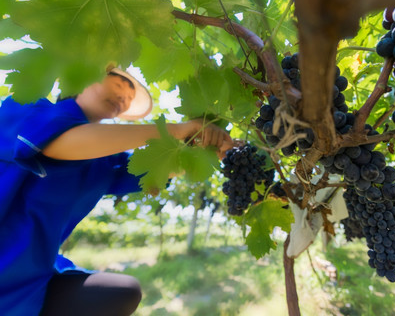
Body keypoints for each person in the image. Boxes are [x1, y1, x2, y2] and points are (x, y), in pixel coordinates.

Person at [0, 66, 233, 316]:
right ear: (83, 77)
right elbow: (58, 142)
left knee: (123, 292)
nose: (125, 99)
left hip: (34, 280)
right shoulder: (25, 106)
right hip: (7, 271)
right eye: (120, 85)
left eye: (130, 98)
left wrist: (208, 151)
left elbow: (159, 167)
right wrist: (175, 130)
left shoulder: (106, 161)